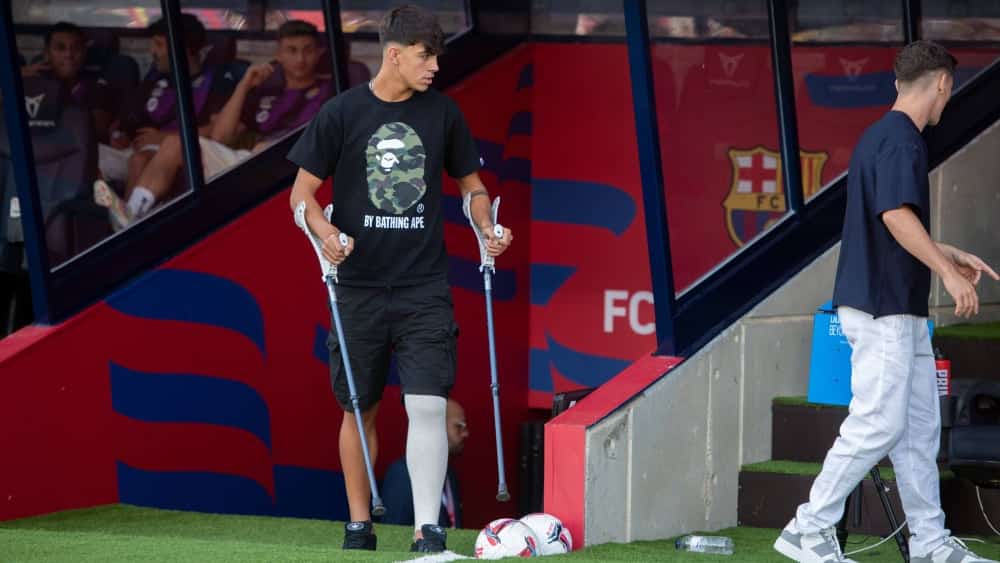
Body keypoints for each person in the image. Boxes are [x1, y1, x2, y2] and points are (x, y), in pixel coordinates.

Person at [286, 4, 513, 554]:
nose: (434, 66)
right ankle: (359, 524)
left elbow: (473, 187)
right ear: (394, 54)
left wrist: (488, 227)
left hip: (423, 286)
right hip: (359, 286)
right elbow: (301, 195)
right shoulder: (342, 113)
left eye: (435, 56)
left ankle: (426, 531)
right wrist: (327, 234)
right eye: (425, 55)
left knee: (428, 404)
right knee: (358, 407)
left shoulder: (444, 113)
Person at [773, 40, 1000, 563]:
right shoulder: (902, 141)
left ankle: (930, 543)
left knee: (918, 431)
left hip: (893, 307)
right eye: (950, 90)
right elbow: (895, 216)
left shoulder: (882, 136)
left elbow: (892, 222)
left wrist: (945, 252)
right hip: (884, 309)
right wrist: (948, 273)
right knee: (880, 423)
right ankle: (808, 527)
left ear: (899, 83)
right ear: (942, 83)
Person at [94, 19, 332, 229]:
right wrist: (244, 86)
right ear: (279, 54)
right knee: (175, 144)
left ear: (319, 52)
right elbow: (221, 137)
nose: (300, 59)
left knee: (172, 147)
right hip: (247, 161)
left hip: (286, 168)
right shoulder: (266, 92)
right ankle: (133, 215)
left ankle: (131, 219)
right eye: (292, 50)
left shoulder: (330, 90)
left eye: (308, 50)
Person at [94, 13, 235, 229]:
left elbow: (218, 130)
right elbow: (124, 120)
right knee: (88, 158)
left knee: (139, 160)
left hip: (172, 155)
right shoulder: (155, 78)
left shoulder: (216, 80)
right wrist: (117, 134)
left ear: (182, 48)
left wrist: (164, 138)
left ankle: (126, 229)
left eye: (159, 45)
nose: (153, 51)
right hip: (131, 149)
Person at [380, 398, 468, 528]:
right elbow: (392, 530)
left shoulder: (450, 475)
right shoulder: (403, 473)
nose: (465, 433)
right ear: (437, 425)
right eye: (459, 426)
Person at [21, 22, 115, 142]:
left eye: (76, 48)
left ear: (84, 52)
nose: (68, 54)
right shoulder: (31, 82)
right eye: (60, 48)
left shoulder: (96, 85)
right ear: (47, 54)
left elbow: (96, 130)